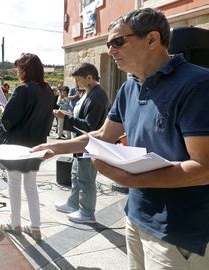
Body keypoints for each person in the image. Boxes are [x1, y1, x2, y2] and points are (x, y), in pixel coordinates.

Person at [33, 8, 209, 269]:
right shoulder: (129, 87)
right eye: (107, 44)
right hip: (135, 216)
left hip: (178, 231)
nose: (111, 50)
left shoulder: (197, 84)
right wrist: (57, 147)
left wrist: (128, 179)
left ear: (152, 39)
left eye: (118, 41)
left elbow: (204, 169)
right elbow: (104, 136)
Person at [0, 53, 54, 241]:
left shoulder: (23, 90)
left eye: (18, 68)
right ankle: (35, 226)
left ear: (25, 69)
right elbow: (48, 120)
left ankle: (15, 223)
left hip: (17, 145)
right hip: (37, 143)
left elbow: (7, 121)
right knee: (31, 185)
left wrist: (1, 109)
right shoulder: (47, 91)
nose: (17, 72)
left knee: (14, 182)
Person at [53, 63, 109, 224]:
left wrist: (66, 118)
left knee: (86, 179)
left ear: (89, 78)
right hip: (82, 145)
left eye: (78, 80)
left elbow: (90, 126)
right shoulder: (88, 93)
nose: (76, 85)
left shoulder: (98, 97)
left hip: (90, 145)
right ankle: (73, 203)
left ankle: (87, 212)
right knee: (76, 175)